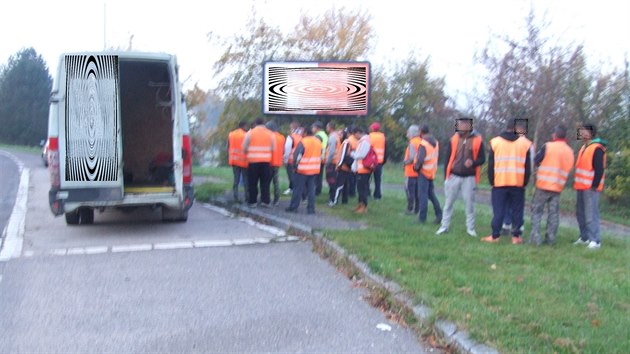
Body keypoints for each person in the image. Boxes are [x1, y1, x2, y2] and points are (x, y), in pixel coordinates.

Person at [482, 119, 532, 244]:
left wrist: (492, 181)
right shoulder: (525, 143)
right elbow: (527, 167)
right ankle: (516, 237)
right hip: (518, 183)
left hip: (500, 182)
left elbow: (491, 165)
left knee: (498, 210)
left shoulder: (495, 142)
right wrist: (524, 182)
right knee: (517, 210)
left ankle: (495, 236)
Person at [436, 117, 485, 237]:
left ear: (469, 126)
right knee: (448, 203)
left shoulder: (478, 140)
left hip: (469, 177)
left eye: (463, 124)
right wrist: (446, 178)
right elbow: (447, 159)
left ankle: (470, 228)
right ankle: (444, 226)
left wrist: (473, 162)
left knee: (469, 204)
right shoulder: (453, 139)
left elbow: (482, 159)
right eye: (460, 124)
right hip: (453, 176)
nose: (460, 126)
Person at [529, 125, 575, 245]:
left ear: (555, 135)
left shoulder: (548, 146)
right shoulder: (570, 151)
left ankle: (535, 239)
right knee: (553, 214)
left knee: (537, 212)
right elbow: (569, 169)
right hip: (558, 187)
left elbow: (536, 160)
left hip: (543, 185)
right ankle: (551, 239)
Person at [573, 123, 607, 249]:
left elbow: (599, 169)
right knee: (580, 213)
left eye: (584, 131)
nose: (581, 133)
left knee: (591, 214)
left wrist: (594, 185)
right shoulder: (584, 147)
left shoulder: (597, 148)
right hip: (581, 187)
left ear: (591, 133)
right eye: (581, 131)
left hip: (591, 188)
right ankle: (584, 237)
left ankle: (595, 240)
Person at [285, 128, 322, 214]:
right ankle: (311, 209)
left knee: (297, 189)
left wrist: (294, 166)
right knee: (311, 190)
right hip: (314, 169)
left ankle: (293, 207)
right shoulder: (318, 142)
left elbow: (297, 155)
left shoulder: (303, 141)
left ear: (305, 133)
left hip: (302, 170)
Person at [242, 118, 275, 208]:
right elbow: (273, 148)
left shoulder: (250, 133)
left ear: (255, 123)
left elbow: (244, 147)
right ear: (264, 123)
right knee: (265, 182)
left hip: (253, 161)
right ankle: (265, 201)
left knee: (252, 182)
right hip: (266, 162)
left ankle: (253, 201)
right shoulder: (270, 134)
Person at [414, 125, 442, 223]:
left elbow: (420, 159)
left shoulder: (423, 143)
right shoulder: (435, 142)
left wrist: (416, 167)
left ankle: (422, 218)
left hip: (424, 172)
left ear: (421, 132)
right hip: (431, 171)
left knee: (422, 195)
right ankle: (439, 215)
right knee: (431, 194)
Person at [351, 126, 372, 213]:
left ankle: (364, 206)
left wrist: (352, 154)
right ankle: (360, 204)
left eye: (355, 135)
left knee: (362, 189)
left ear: (358, 133)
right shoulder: (362, 141)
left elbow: (362, 155)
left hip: (364, 169)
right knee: (359, 188)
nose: (355, 137)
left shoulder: (365, 141)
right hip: (361, 169)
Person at [227, 121, 249, 202]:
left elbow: (228, 147)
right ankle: (247, 197)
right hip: (243, 161)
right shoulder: (246, 135)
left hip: (234, 161)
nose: (247, 128)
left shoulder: (231, 134)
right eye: (246, 126)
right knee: (246, 180)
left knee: (236, 180)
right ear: (244, 126)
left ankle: (235, 197)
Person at [330, 128, 352, 206]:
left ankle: (334, 201)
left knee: (339, 185)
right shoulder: (347, 142)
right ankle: (344, 201)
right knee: (345, 185)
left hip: (343, 167)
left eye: (340, 134)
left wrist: (339, 165)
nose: (339, 136)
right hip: (346, 167)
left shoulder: (346, 143)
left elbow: (343, 156)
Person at [403, 125, 422, 215]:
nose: (407, 134)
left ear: (412, 133)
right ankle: (417, 209)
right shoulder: (421, 141)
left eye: (408, 132)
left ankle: (410, 209)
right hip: (418, 171)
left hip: (411, 171)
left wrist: (405, 162)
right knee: (417, 192)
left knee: (409, 191)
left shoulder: (412, 143)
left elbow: (411, 157)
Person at [266, 121, 285, 206]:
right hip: (277, 162)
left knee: (266, 182)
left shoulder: (269, 137)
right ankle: (276, 199)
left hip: (269, 162)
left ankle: (267, 199)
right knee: (276, 182)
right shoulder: (282, 137)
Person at [325, 122, 342, 205]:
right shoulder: (336, 136)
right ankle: (332, 198)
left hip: (332, 162)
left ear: (330, 128)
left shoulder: (332, 137)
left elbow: (331, 151)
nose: (326, 128)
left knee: (332, 181)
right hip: (335, 162)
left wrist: (327, 162)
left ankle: (332, 200)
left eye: (327, 127)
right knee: (332, 181)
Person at [283, 121, 302, 195]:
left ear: (292, 128)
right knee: (296, 176)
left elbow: (287, 149)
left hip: (291, 160)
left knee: (291, 176)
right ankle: (293, 188)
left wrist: (285, 160)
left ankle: (292, 189)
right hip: (298, 160)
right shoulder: (301, 137)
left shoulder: (290, 137)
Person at [369, 122, 386, 200]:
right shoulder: (383, 136)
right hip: (379, 161)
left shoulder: (370, 136)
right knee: (377, 180)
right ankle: (377, 195)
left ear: (372, 128)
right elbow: (386, 149)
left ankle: (367, 193)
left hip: (371, 161)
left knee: (367, 178)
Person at [312, 121, 328, 196]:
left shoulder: (318, 136)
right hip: (323, 157)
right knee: (320, 176)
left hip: (319, 157)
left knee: (316, 176)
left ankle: (316, 191)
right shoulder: (325, 135)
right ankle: (318, 190)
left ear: (317, 128)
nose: (312, 129)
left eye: (313, 127)